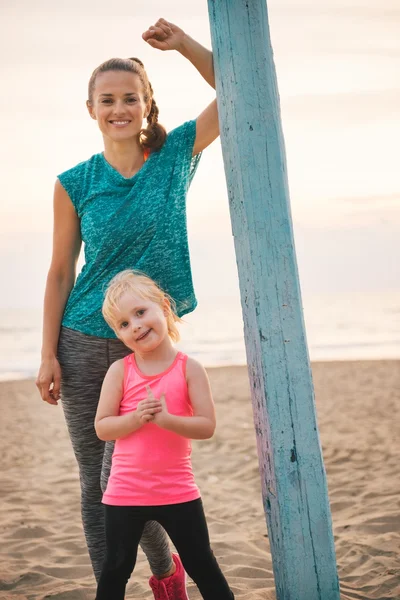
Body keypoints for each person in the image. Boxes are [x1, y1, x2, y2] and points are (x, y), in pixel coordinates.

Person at [35, 18, 220, 598]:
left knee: (154, 473)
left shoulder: (173, 157)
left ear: (147, 105)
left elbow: (241, 90)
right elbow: (62, 270)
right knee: (101, 480)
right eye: (108, 100)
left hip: (155, 343)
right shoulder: (74, 182)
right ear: (90, 108)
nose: (120, 108)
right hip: (85, 338)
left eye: (130, 98)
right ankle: (124, 585)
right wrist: (47, 355)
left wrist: (186, 45)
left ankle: (166, 572)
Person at [94, 270, 234, 600]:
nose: (136, 326)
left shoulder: (189, 368)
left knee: (202, 564)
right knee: (115, 568)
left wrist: (168, 419)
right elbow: (103, 427)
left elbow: (206, 426)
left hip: (178, 490)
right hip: (125, 492)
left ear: (164, 308)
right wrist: (136, 418)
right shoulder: (120, 371)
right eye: (123, 324)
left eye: (140, 312)